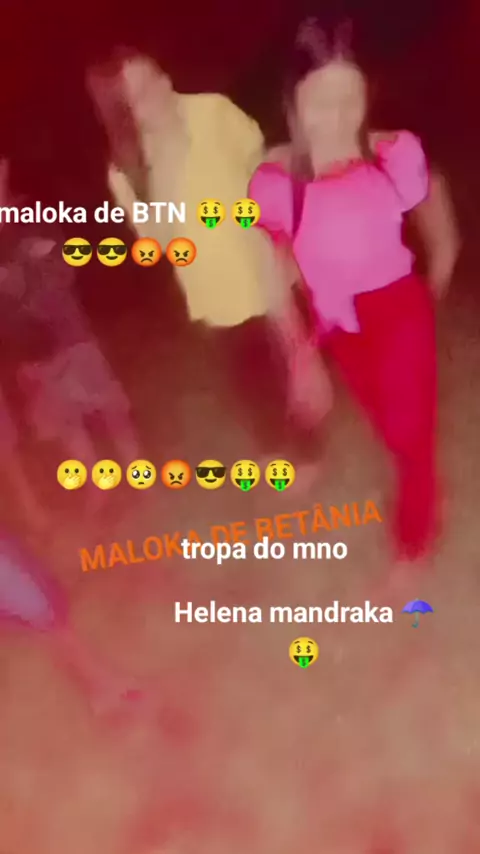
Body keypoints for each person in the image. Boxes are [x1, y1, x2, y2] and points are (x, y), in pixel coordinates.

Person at [248, 18, 460, 570]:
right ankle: (423, 486)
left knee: (411, 433)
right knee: (389, 426)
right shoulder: (273, 179)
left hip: (398, 308)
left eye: (352, 97)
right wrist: (299, 352)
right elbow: (271, 262)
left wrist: (439, 269)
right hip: (336, 322)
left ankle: (412, 545)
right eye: (321, 100)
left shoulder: (394, 152)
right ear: (293, 100)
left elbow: (433, 198)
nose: (339, 116)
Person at [86, 51, 332, 464]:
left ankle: (310, 443)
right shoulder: (127, 169)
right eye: (142, 94)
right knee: (255, 380)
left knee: (300, 364)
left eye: (157, 76)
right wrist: (168, 164)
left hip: (265, 265)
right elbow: (157, 242)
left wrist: (288, 239)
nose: (161, 90)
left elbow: (261, 170)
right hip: (215, 294)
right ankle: (278, 449)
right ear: (125, 114)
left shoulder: (212, 112)